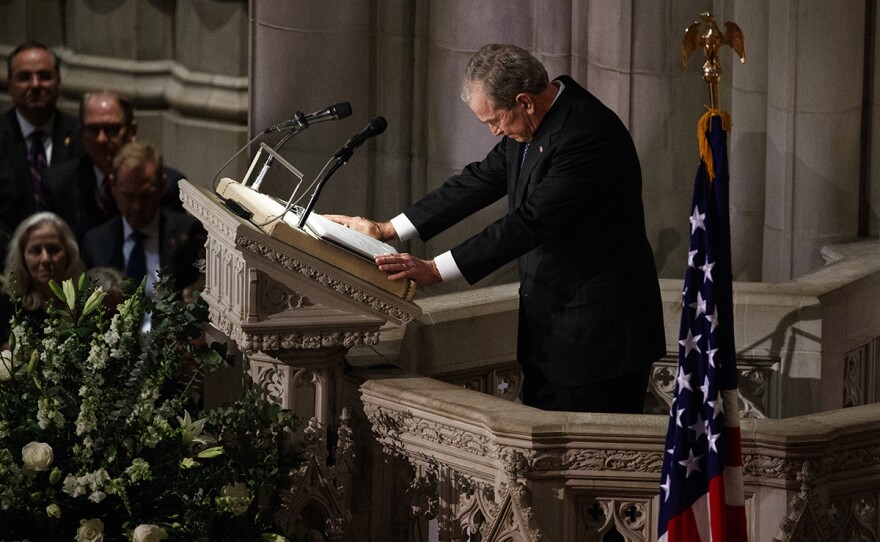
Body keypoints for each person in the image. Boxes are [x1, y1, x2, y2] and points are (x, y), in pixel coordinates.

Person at [329, 44, 666, 413]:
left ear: (525, 102)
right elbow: (478, 181)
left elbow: (529, 222)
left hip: (599, 341)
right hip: (553, 334)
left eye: (495, 120)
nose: (493, 132)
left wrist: (434, 270)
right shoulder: (529, 127)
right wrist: (387, 228)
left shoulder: (586, 134)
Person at [43, 90, 185, 245]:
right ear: (81, 134)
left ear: (132, 131)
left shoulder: (165, 186)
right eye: (93, 129)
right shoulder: (58, 184)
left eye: (111, 129)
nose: (102, 139)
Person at [80, 140, 201, 299]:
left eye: (146, 196)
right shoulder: (96, 243)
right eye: (128, 196)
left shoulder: (189, 234)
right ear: (113, 187)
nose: (137, 207)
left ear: (162, 186)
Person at [0, 43, 83, 260]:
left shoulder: (82, 135)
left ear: (58, 82)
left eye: (44, 76)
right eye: (24, 77)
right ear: (10, 84)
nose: (35, 85)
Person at [0, 212, 85, 348]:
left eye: (53, 249)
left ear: (69, 254)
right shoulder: (8, 308)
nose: (45, 259)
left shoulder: (85, 306)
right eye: (35, 250)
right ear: (22, 257)